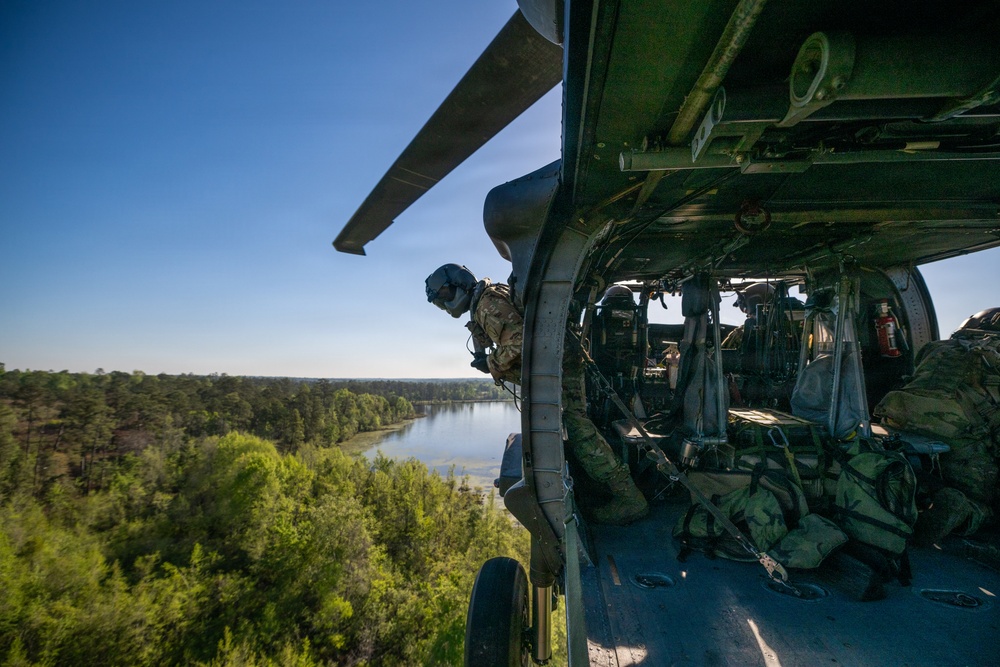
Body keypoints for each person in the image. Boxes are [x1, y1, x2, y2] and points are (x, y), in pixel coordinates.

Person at [425, 264, 648, 525]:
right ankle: (613, 489)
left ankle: (629, 498)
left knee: (580, 433)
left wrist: (492, 364)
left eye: (444, 297)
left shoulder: (486, 304)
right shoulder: (486, 300)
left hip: (558, 368)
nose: (445, 305)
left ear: (459, 286)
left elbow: (520, 340)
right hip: (560, 364)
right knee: (577, 431)